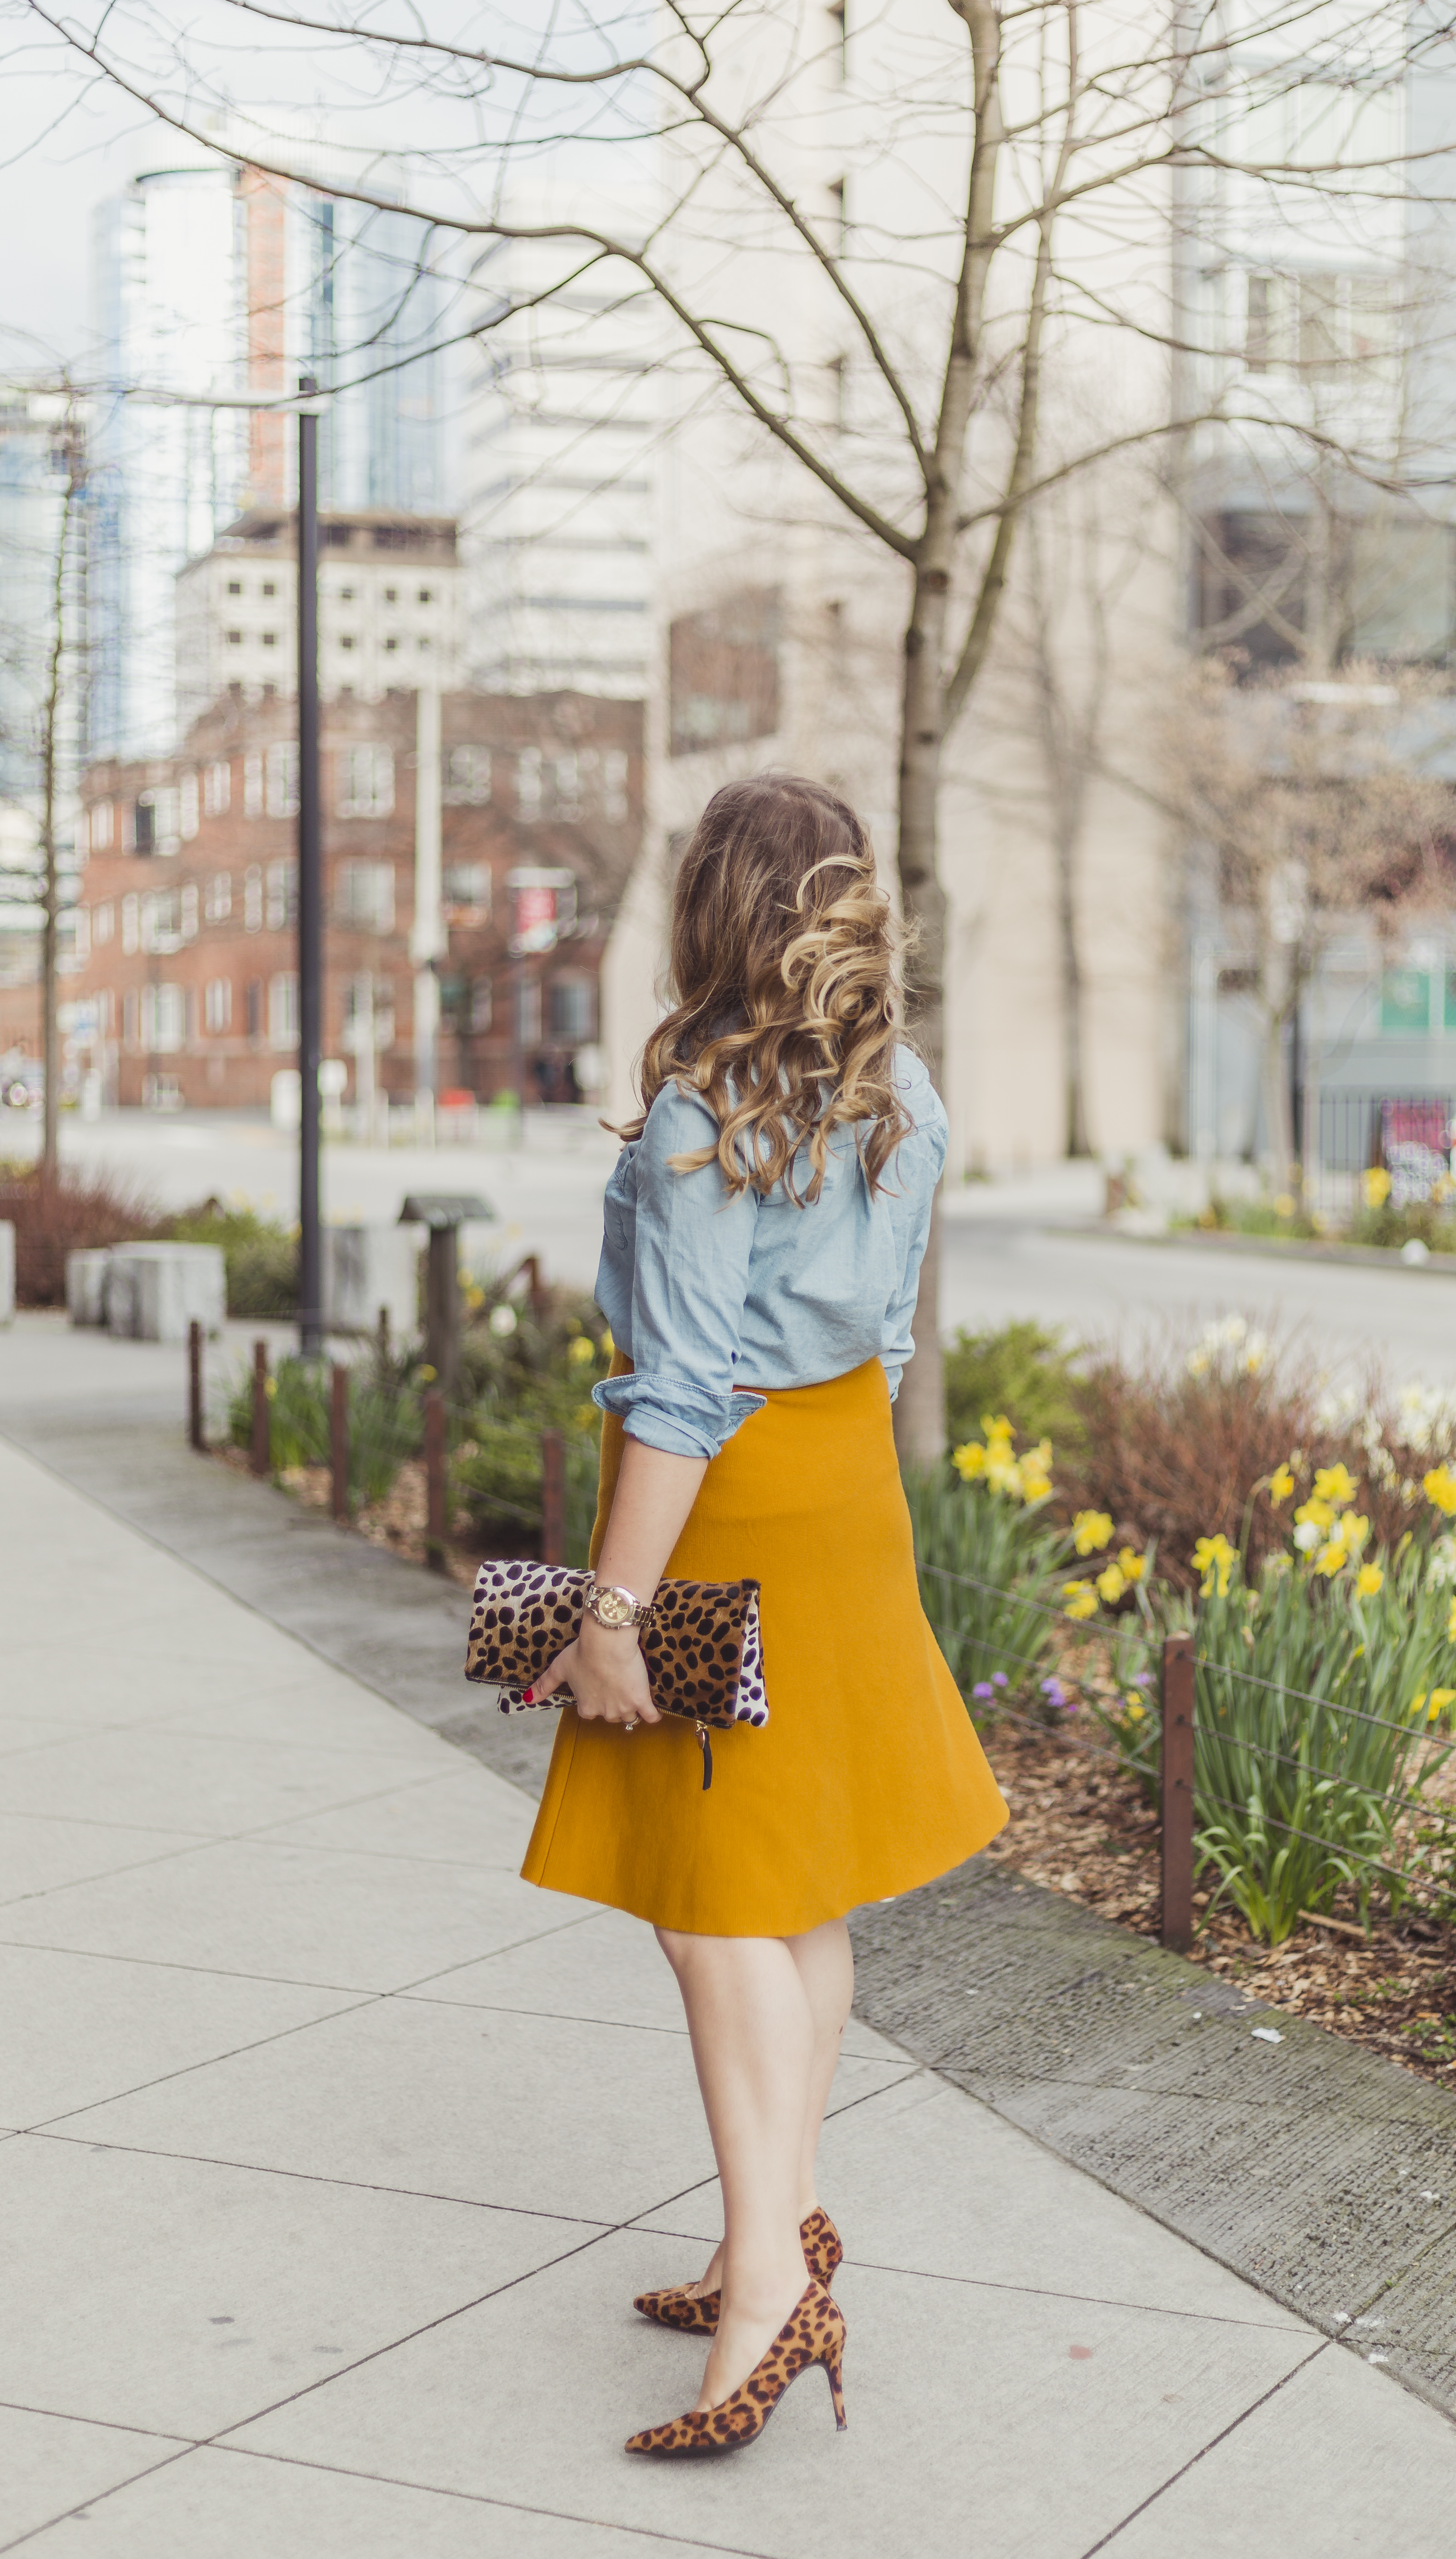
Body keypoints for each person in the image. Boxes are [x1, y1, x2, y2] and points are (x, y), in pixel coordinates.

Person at [519, 773, 1008, 2456]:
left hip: (724, 1503)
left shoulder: (702, 1109)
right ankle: (766, 2236)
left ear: (712, 907)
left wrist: (611, 1609)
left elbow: (681, 1391)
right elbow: (879, 1354)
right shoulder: (907, 1095)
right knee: (791, 1893)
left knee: (711, 1906)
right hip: (846, 1496)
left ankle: (766, 2296)